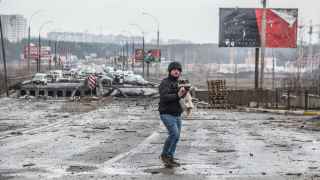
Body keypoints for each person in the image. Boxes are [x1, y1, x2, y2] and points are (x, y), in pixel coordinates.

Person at [158, 61, 187, 167]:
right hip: (166, 113)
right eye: (174, 70)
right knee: (174, 134)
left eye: (178, 70)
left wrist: (184, 92)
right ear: (170, 71)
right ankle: (165, 155)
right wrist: (178, 95)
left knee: (176, 136)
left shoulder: (178, 83)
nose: (176, 71)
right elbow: (165, 97)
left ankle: (170, 156)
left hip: (177, 114)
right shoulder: (165, 83)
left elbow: (179, 97)